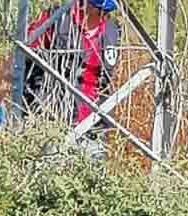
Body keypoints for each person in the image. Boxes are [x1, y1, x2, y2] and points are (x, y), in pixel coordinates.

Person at [19, 0, 122, 155]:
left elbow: (106, 80)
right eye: (100, 10)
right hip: (54, 122)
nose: (104, 15)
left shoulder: (112, 31)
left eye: (106, 12)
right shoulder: (58, 19)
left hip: (93, 129)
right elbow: (23, 55)